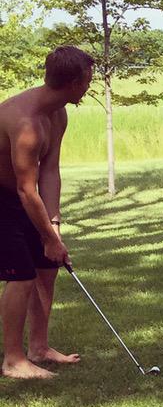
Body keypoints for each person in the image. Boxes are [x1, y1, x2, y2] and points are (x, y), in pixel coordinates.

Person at [0, 45, 93, 380]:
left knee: (46, 266)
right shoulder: (25, 123)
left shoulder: (57, 114)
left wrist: (53, 226)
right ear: (74, 82)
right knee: (21, 275)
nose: (89, 86)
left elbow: (49, 171)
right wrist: (48, 238)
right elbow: (27, 189)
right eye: (88, 80)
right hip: (4, 198)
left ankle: (39, 347)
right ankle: (13, 360)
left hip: (20, 194)